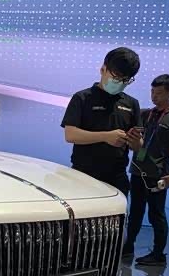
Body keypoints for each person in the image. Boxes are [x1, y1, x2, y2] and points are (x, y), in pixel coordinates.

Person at [122, 74, 169, 265]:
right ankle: (128, 247)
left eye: (158, 93)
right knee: (135, 213)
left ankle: (158, 254)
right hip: (137, 171)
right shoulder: (145, 114)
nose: (154, 96)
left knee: (156, 214)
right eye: (152, 92)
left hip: (159, 174)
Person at [61, 47, 143, 195]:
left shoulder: (132, 104)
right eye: (116, 77)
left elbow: (137, 146)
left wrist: (136, 141)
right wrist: (105, 136)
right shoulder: (82, 98)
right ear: (103, 69)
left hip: (117, 177)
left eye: (125, 80)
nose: (120, 83)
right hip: (83, 174)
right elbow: (70, 135)